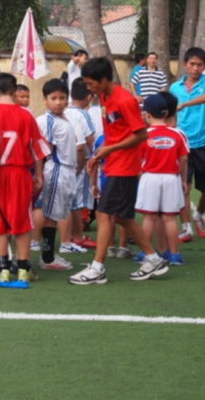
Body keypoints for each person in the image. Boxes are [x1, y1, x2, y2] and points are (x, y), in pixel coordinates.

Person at [68, 57, 168, 285]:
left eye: (91, 83)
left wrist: (109, 150)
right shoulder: (103, 97)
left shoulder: (125, 101)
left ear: (105, 79)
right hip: (112, 163)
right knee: (122, 216)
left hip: (125, 166)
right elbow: (114, 133)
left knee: (105, 215)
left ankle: (97, 268)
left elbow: (142, 134)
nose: (88, 88)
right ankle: (153, 259)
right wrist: (97, 155)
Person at [0, 73, 50, 282]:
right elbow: (37, 150)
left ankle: (3, 269)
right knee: (22, 221)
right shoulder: (26, 116)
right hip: (19, 173)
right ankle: (24, 270)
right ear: (15, 92)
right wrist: (38, 175)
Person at [169, 47, 205, 242]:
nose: (195, 68)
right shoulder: (175, 88)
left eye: (200, 64)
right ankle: (186, 227)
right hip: (183, 144)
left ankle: (198, 215)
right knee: (185, 187)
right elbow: (171, 114)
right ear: (184, 65)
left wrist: (185, 104)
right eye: (192, 64)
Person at [135, 94, 188, 266]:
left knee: (149, 218)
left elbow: (138, 159)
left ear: (147, 115)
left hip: (149, 177)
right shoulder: (179, 134)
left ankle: (146, 254)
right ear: (166, 114)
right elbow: (184, 158)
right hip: (171, 178)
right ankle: (174, 255)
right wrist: (180, 177)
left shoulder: (144, 135)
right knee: (170, 218)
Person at [35, 79, 78, 271]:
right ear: (44, 100)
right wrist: (40, 175)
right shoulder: (48, 121)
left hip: (67, 170)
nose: (58, 102)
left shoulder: (64, 119)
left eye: (62, 98)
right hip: (56, 169)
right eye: (53, 98)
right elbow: (43, 150)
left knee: (57, 213)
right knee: (51, 215)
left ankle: (50, 254)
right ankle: (47, 257)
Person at [63, 78, 97, 250]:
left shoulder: (64, 111)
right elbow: (89, 140)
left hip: (62, 161)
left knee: (67, 200)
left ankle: (68, 236)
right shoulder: (83, 114)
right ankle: (76, 236)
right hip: (80, 161)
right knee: (76, 202)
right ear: (89, 96)